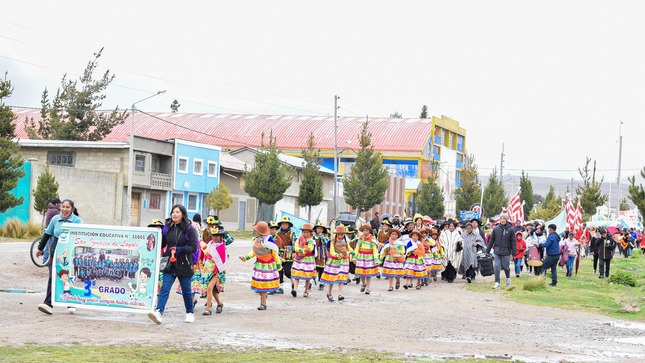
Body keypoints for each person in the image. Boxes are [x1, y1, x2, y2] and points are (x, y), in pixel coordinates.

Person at [148, 204, 199, 324]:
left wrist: (179, 250)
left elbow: (194, 247)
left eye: (177, 212)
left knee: (186, 291)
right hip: (169, 264)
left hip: (184, 264)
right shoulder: (167, 228)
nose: (174, 214)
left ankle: (190, 313)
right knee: (165, 289)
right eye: (173, 212)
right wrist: (152, 240)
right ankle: (159, 312)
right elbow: (162, 243)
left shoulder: (190, 229)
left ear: (183, 214)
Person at [36, 199, 83, 315]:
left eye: (67, 207)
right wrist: (40, 248)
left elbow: (82, 237)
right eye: (63, 207)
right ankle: (48, 304)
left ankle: (71, 302)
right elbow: (47, 234)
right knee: (53, 276)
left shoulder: (77, 221)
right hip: (56, 250)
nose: (65, 209)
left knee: (69, 276)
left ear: (72, 209)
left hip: (70, 252)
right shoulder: (55, 219)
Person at [239, 221, 282, 310]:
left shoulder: (269, 242)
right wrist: (245, 257)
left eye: (256, 230)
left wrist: (278, 265)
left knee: (264, 285)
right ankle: (263, 298)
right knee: (259, 286)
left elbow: (275, 254)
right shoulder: (257, 240)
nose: (255, 232)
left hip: (268, 267)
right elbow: (254, 252)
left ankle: (263, 303)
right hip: (259, 266)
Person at [321, 225, 353, 302]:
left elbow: (349, 249)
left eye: (342, 234)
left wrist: (353, 252)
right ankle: (329, 293)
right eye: (339, 234)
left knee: (341, 277)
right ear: (336, 234)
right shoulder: (333, 241)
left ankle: (340, 294)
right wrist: (337, 255)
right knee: (332, 278)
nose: (341, 236)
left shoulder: (346, 241)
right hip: (334, 261)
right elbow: (331, 251)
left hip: (343, 261)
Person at [485, 214, 516, 289]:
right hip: (497, 251)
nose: (502, 220)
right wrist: (487, 250)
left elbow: (513, 242)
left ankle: (508, 278)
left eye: (503, 218)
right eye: (501, 218)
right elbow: (491, 240)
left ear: (506, 219)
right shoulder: (496, 229)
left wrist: (513, 253)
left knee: (506, 267)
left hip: (506, 252)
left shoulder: (511, 229)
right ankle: (497, 283)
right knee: (496, 267)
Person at [201, 227, 226, 315]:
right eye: (213, 236)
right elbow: (204, 255)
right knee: (213, 290)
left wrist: (217, 271)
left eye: (217, 236)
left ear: (220, 236)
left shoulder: (222, 247)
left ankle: (208, 308)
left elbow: (222, 261)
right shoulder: (209, 244)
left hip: (217, 270)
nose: (215, 238)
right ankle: (219, 303)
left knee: (209, 288)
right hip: (208, 270)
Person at [290, 223, 316, 298]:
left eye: (307, 232)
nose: (306, 234)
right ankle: (295, 289)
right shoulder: (299, 239)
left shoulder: (311, 240)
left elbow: (310, 249)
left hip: (308, 259)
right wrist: (303, 250)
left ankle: (306, 291)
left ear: (310, 233)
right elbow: (296, 247)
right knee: (297, 274)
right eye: (304, 232)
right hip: (299, 259)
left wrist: (303, 250)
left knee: (307, 276)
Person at [353, 224, 380, 294]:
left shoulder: (373, 240)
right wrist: (354, 257)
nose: (365, 232)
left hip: (369, 258)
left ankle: (368, 288)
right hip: (361, 257)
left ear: (369, 231)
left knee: (368, 274)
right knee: (361, 273)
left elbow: (375, 250)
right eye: (364, 230)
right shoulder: (359, 239)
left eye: (366, 230)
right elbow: (357, 248)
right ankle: (363, 283)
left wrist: (376, 259)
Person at [274, 216, 296, 294]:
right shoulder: (277, 233)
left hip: (288, 254)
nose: (284, 225)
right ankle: (280, 287)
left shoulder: (292, 233)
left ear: (289, 225)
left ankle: (293, 283)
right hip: (280, 253)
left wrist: (294, 252)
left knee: (287, 271)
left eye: (286, 224)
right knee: (279, 270)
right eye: (283, 224)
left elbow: (294, 243)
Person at [313, 221, 329, 290]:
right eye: (318, 228)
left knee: (321, 269)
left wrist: (321, 237)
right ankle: (311, 281)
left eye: (321, 228)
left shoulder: (325, 237)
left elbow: (326, 244)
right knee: (313, 268)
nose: (319, 230)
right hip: (314, 253)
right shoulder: (313, 237)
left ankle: (321, 282)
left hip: (322, 254)